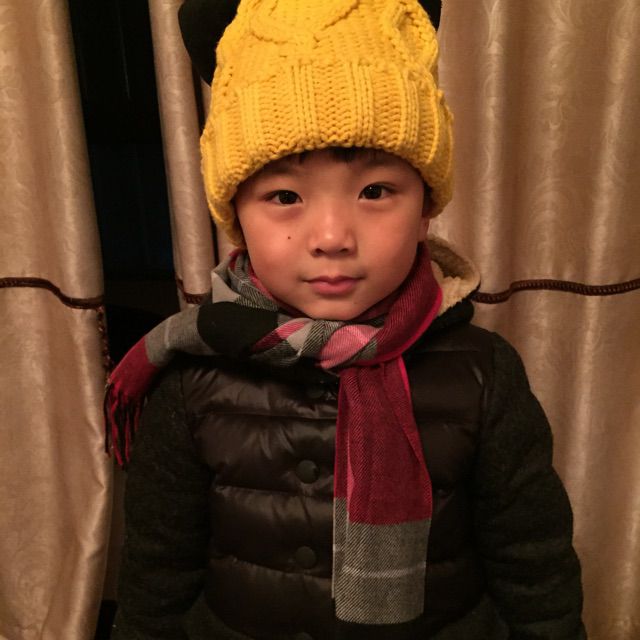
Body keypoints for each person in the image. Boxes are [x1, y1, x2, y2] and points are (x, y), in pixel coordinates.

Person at [106, 0, 586, 638]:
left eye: (374, 192)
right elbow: (156, 579)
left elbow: (535, 575)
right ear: (237, 218)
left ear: (425, 210)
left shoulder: (484, 374)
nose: (332, 237)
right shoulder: (191, 377)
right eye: (285, 196)